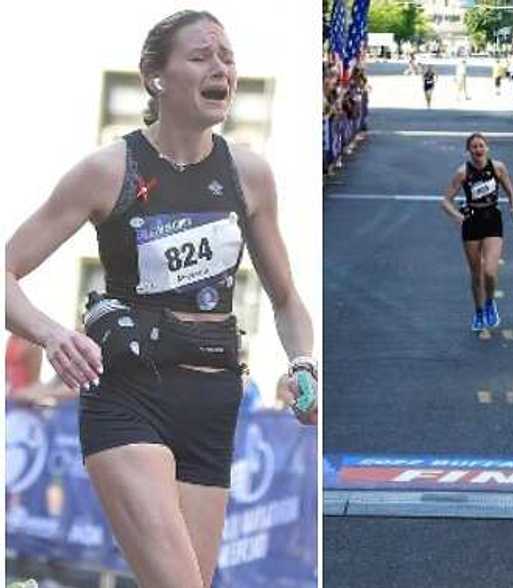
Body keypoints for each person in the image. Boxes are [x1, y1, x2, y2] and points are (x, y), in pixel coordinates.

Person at [4, 11, 318, 588]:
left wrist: (302, 364)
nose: (221, 66)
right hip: (130, 394)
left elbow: (286, 300)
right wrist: (50, 333)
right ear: (156, 78)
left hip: (213, 401)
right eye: (201, 56)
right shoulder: (108, 170)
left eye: (226, 55)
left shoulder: (249, 175)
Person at [439, 133, 513, 331]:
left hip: (492, 220)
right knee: (476, 273)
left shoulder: (497, 168)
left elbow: (511, 192)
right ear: (468, 151)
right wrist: (458, 217)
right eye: (474, 147)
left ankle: (490, 304)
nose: (478, 150)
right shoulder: (462, 172)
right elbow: (445, 201)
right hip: (472, 222)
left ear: (487, 148)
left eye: (481, 146)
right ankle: (478, 312)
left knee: (490, 272)